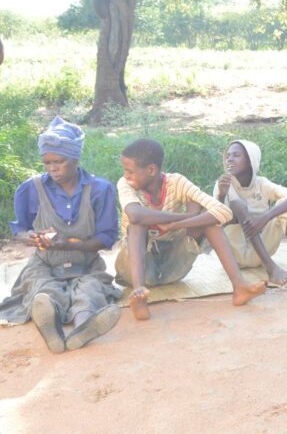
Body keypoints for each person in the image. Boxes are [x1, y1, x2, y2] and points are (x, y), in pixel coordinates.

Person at [0, 117, 121, 352]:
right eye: (46, 162)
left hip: (86, 262)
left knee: (89, 289)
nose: (52, 168)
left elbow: (106, 238)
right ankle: (51, 328)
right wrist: (31, 238)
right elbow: (20, 230)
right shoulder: (30, 188)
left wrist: (71, 244)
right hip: (44, 263)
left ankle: (83, 327)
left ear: (76, 159)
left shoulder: (100, 189)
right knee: (43, 289)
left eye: (59, 161)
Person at [115, 138, 267, 321]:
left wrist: (175, 225)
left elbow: (223, 212)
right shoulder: (125, 184)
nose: (126, 175)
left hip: (172, 267)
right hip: (136, 269)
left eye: (130, 171)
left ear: (151, 170)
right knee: (137, 226)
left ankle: (240, 287)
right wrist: (186, 217)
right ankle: (139, 293)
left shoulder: (177, 182)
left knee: (209, 220)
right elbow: (135, 215)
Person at [214, 139, 287, 287]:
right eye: (228, 156)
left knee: (286, 205)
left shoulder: (262, 183)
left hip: (260, 254)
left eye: (236, 155)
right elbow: (217, 219)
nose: (229, 159)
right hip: (234, 253)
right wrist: (221, 195)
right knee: (238, 205)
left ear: (251, 160)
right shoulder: (224, 183)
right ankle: (272, 268)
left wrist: (265, 217)